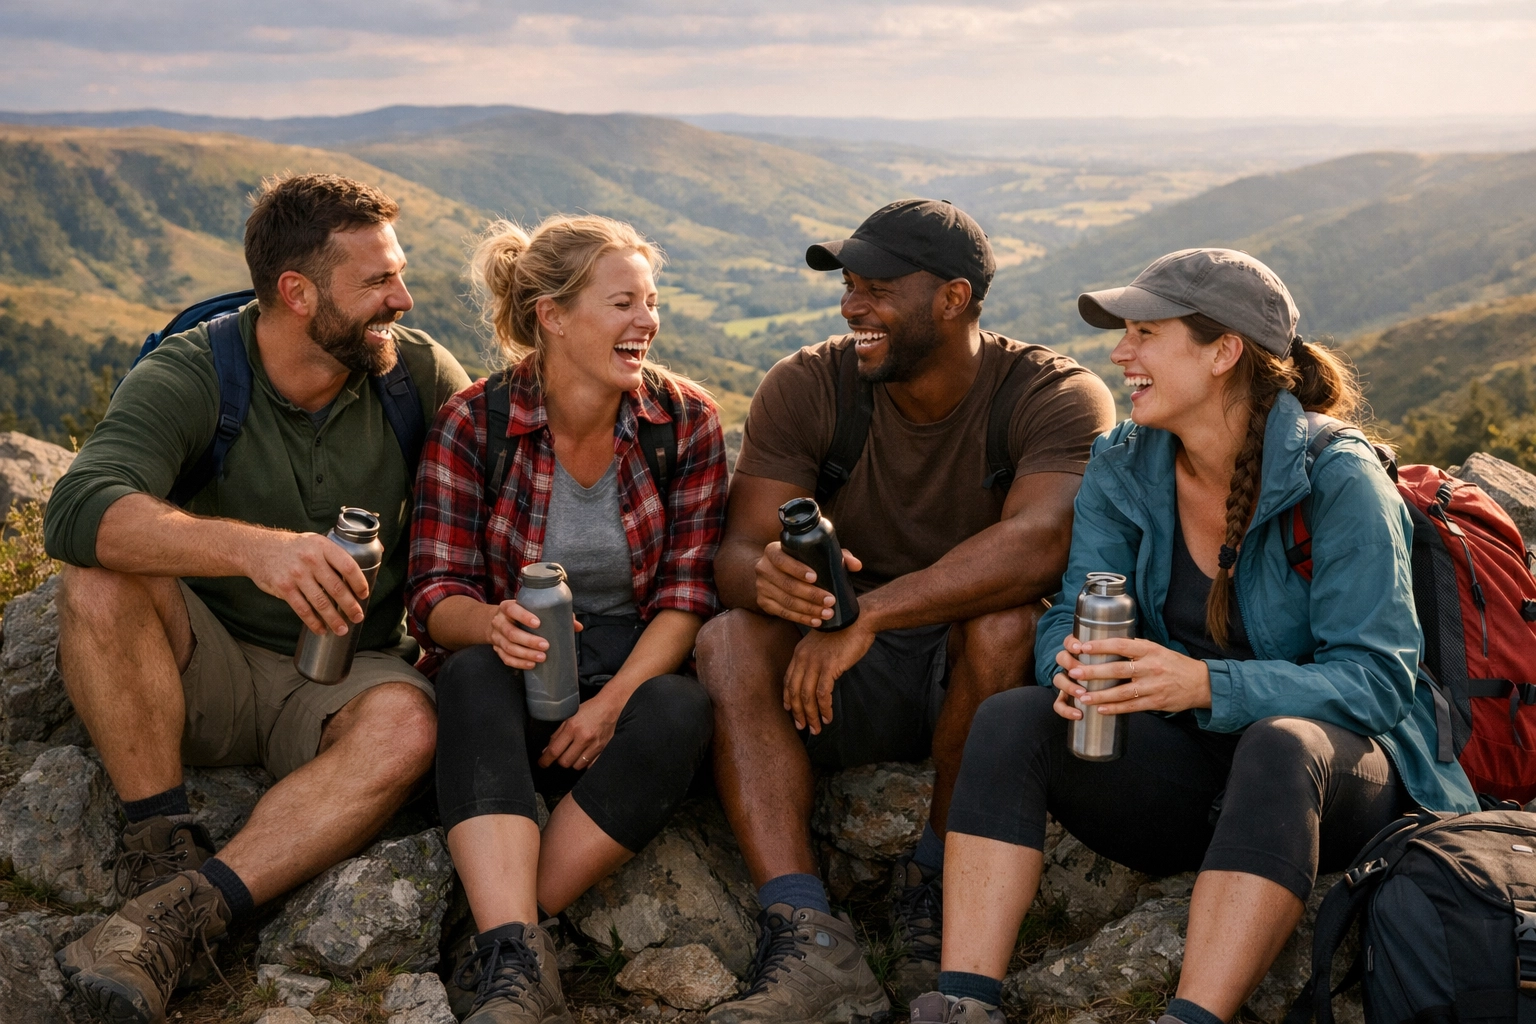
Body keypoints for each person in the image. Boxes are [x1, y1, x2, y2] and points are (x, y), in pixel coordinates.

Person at [915, 249, 1478, 1024]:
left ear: (1223, 352)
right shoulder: (1123, 463)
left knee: (1282, 743)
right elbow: (1067, 612)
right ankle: (962, 1002)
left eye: (1145, 333)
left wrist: (1208, 684)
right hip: (1191, 777)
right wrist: (1068, 664)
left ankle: (1192, 1016)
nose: (1120, 353)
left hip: (1333, 788)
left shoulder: (1339, 479)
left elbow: (1378, 682)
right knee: (1015, 718)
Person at [42, 173, 471, 1022]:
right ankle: (160, 846)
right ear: (296, 292)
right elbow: (77, 506)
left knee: (408, 727)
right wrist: (253, 551)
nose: (404, 297)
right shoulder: (198, 370)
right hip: (204, 662)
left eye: (399, 274)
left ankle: (183, 915)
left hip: (349, 672)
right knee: (97, 573)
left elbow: (500, 491)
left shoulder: (414, 376)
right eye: (378, 282)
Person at [697, 199, 1117, 1024]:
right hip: (834, 671)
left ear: (953, 299)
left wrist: (873, 614)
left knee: (1003, 624)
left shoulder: (1054, 394)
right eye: (851, 286)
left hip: (965, 673)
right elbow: (737, 555)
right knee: (727, 640)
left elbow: (1041, 543)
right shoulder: (809, 382)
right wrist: (770, 582)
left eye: (878, 288)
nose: (853, 306)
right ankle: (807, 931)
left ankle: (936, 881)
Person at [407, 215, 727, 1024]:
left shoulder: (684, 422)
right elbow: (434, 594)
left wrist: (609, 705)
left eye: (651, 302)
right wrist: (490, 625)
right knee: (473, 674)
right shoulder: (473, 424)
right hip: (511, 664)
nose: (646, 322)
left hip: (628, 661)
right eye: (623, 302)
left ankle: (510, 929)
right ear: (551, 314)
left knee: (681, 709)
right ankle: (515, 954)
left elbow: (687, 596)